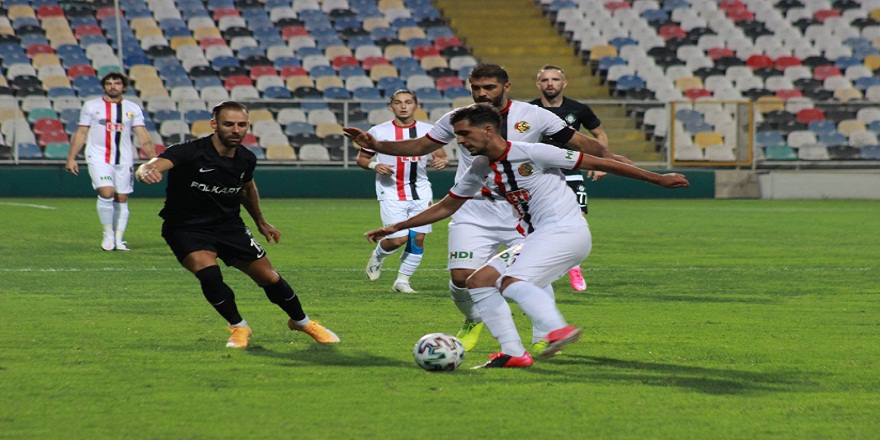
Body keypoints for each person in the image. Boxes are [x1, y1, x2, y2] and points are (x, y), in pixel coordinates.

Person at [364, 104, 689, 368]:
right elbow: (448, 205)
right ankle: (513, 353)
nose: (459, 141)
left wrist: (658, 179)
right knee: (479, 282)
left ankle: (557, 328)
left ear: (487, 129)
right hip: (538, 237)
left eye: (464, 134)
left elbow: (598, 161)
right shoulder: (479, 167)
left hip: (567, 231)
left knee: (512, 283)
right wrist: (396, 227)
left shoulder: (533, 152)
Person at [344, 63, 631, 352]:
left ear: (505, 87)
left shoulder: (532, 115)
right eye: (476, 87)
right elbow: (419, 147)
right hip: (473, 207)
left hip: (520, 208)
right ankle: (473, 319)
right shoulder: (458, 118)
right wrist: (377, 144)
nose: (481, 93)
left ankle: (543, 335)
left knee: (530, 273)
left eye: (489, 87)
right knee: (461, 277)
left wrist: (613, 159)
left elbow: (581, 143)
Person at [134, 101, 339, 348]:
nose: (236, 130)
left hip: (229, 226)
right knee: (209, 274)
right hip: (186, 227)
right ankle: (238, 327)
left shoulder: (246, 159)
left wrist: (261, 222)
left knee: (269, 277)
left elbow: (247, 189)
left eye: (242, 125)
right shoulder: (188, 152)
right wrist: (145, 172)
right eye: (228, 124)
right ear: (214, 125)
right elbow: (153, 165)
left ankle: (302, 322)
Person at [357, 89, 450, 293]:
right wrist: (374, 166)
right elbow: (362, 159)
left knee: (417, 237)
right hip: (391, 191)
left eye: (408, 102)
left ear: (416, 106)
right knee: (398, 239)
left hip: (421, 191)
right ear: (391, 107)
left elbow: (441, 154)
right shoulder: (379, 131)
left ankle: (402, 281)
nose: (404, 106)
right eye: (398, 102)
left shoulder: (429, 130)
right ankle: (378, 255)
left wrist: (441, 160)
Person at [530, 64, 610, 292]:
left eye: (555, 79)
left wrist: (601, 162)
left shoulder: (579, 109)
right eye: (545, 80)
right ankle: (537, 268)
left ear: (564, 83)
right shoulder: (529, 110)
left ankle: (574, 266)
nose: (550, 84)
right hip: (538, 172)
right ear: (538, 85)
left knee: (578, 217)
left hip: (569, 168)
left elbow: (599, 134)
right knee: (535, 222)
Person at [65, 72, 155, 251]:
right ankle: (108, 234)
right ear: (104, 86)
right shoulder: (92, 106)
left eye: (117, 83)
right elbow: (82, 132)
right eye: (109, 83)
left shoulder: (132, 108)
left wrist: (154, 159)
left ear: (124, 87)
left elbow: (142, 135)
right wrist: (72, 157)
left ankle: (118, 240)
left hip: (124, 159)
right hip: (98, 157)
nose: (112, 86)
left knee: (121, 197)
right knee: (107, 192)